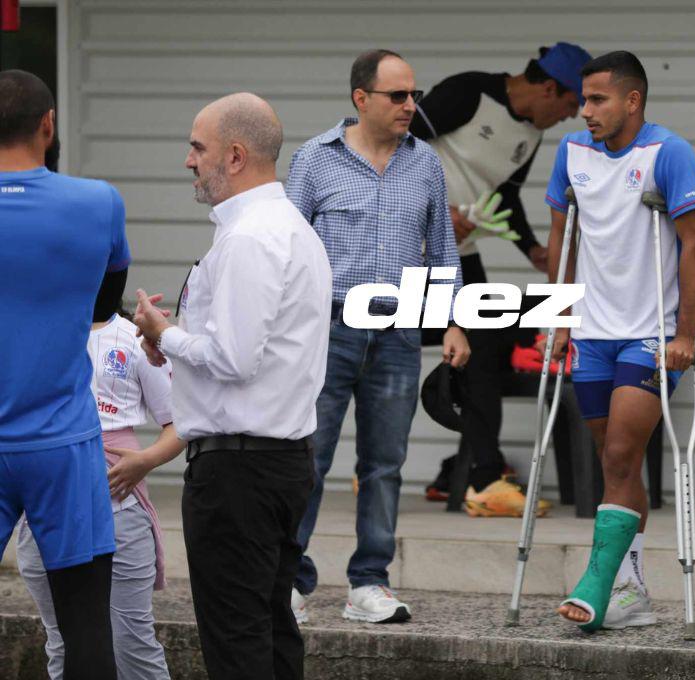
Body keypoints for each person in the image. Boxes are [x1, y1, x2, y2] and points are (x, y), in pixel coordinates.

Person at [132, 92, 332, 680]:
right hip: (277, 460)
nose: (188, 160)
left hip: (239, 471)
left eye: (198, 147)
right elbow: (248, 354)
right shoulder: (287, 229)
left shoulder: (250, 237)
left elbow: (235, 358)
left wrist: (165, 335)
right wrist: (171, 341)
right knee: (268, 627)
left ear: (236, 156)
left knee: (237, 636)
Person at [286, 49, 469, 625]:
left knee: (385, 463)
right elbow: (286, 250)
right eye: (398, 96)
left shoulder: (426, 164)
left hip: (398, 331)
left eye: (413, 94)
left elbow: (442, 249)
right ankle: (288, 581)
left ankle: (369, 583)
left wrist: (454, 320)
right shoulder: (315, 160)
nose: (410, 106)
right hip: (328, 329)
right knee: (307, 458)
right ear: (361, 98)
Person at [543, 52, 695, 631]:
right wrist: (560, 319)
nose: (583, 110)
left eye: (597, 99)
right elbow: (562, 233)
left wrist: (685, 332)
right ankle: (631, 590)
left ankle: (595, 585)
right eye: (582, 99)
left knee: (618, 455)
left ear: (632, 101)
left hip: (651, 334)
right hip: (591, 333)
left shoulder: (669, 153)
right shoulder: (571, 153)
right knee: (617, 463)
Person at [409, 42, 592, 517]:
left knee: (490, 332)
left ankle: (477, 472)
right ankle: (472, 466)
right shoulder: (470, 93)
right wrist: (436, 212)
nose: (574, 116)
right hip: (406, 246)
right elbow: (395, 148)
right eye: (573, 104)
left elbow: (505, 198)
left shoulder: (529, 135)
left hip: (459, 253)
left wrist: (530, 246)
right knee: (406, 336)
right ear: (550, 87)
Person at [0, 69, 128, 680]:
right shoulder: (98, 202)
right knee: (85, 627)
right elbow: (105, 309)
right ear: (48, 126)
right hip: (64, 443)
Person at [17, 286, 183, 680]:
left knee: (132, 643)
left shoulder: (132, 337)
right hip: (45, 507)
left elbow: (180, 424)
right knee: (62, 641)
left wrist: (145, 461)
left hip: (120, 509)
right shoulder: (32, 336)